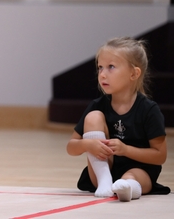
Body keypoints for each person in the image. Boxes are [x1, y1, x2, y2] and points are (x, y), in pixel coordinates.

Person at [67, 37, 169, 201]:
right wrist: (87, 144)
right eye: (100, 67)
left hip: (139, 170)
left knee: (133, 176)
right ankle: (105, 181)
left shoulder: (149, 110)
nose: (102, 74)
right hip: (103, 169)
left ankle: (127, 188)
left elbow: (160, 156)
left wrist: (125, 150)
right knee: (93, 117)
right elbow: (71, 147)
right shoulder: (97, 105)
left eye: (111, 67)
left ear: (134, 73)